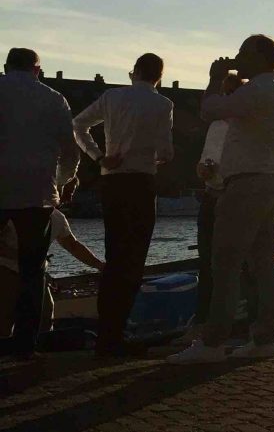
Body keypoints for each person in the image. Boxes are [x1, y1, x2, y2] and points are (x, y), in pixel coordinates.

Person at [168, 35, 274, 364]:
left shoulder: (257, 90)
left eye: (243, 52)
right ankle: (266, 338)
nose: (236, 56)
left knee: (224, 264)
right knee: (266, 263)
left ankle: (213, 343)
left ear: (261, 58)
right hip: (273, 181)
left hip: (246, 185)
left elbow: (210, 109)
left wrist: (213, 78)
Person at [73, 53, 173, 357]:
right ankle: (119, 332)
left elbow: (79, 125)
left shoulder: (112, 97)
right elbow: (166, 151)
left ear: (135, 72)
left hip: (113, 180)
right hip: (142, 182)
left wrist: (99, 156)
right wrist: (150, 157)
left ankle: (107, 333)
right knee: (135, 257)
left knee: (114, 253)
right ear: (158, 76)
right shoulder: (163, 105)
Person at [0, 48, 80, 357]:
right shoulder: (54, 98)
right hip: (37, 193)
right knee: (32, 270)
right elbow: (70, 150)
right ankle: (25, 342)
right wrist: (61, 182)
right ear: (38, 70)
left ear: (6, 66)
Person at [187, 74, 242, 340]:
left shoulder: (244, 125)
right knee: (208, 262)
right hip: (212, 194)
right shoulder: (216, 126)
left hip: (231, 195)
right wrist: (203, 169)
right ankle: (204, 323)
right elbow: (206, 160)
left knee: (228, 262)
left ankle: (223, 324)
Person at [2, 209, 103, 338]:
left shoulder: (57, 217)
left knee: (46, 314)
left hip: (37, 273)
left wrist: (99, 265)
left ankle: (40, 346)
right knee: (5, 317)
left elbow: (73, 245)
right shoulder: (10, 212)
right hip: (6, 269)